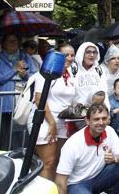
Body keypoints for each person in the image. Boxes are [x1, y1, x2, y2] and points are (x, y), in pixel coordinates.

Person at [55, 103, 119, 194]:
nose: (101, 122)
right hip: (77, 184)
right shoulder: (73, 144)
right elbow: (60, 181)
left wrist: (114, 159)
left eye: (104, 118)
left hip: (99, 177)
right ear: (87, 121)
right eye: (96, 119)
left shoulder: (109, 131)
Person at [28, 42, 76, 179]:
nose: (70, 58)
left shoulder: (70, 75)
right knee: (47, 162)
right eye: (66, 54)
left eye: (72, 55)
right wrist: (52, 123)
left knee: (59, 162)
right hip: (44, 121)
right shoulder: (45, 72)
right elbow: (38, 99)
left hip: (63, 123)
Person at [0, 33, 36, 149]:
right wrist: (14, 69)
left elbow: (35, 77)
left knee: (21, 137)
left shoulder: (26, 57)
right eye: (10, 41)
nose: (13, 43)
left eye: (15, 40)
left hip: (22, 104)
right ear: (3, 43)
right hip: (3, 105)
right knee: (3, 137)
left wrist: (25, 75)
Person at [74, 42, 108, 107]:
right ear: (81, 53)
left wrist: (107, 111)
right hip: (77, 112)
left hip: (96, 112)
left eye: (94, 52)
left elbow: (104, 93)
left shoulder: (100, 70)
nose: (92, 55)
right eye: (88, 52)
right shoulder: (73, 69)